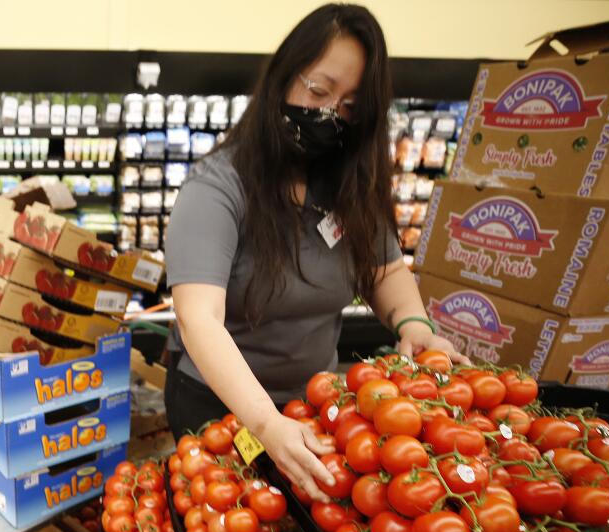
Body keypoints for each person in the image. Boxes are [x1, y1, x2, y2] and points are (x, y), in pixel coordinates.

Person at [165, 3, 465, 502]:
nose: (331, 115)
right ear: (282, 78)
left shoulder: (348, 185)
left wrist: (415, 325)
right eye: (320, 91)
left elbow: (385, 268)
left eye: (350, 106)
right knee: (232, 531)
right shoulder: (218, 185)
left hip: (316, 405)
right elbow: (200, 321)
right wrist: (263, 421)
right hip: (220, 409)